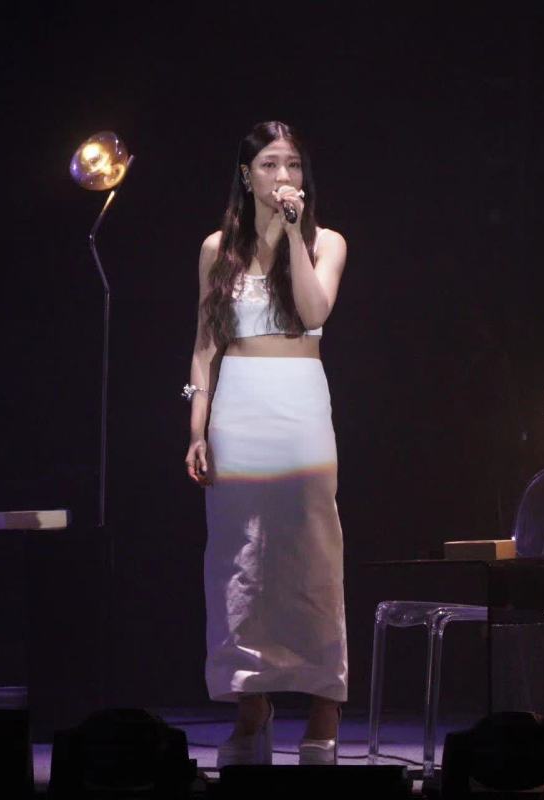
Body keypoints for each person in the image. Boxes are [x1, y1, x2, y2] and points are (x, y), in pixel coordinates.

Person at [184, 121, 348, 766]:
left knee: (312, 555)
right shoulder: (217, 248)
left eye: (294, 166)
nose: (284, 176)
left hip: (300, 402)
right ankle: (251, 706)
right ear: (246, 174)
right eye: (271, 165)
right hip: (238, 407)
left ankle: (325, 704)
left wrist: (294, 237)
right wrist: (196, 427)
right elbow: (204, 346)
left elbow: (313, 313)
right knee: (239, 560)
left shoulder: (326, 241)